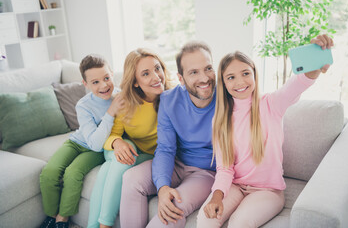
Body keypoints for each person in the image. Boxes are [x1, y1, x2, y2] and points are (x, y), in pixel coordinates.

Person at [197, 34, 334, 228]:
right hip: (235, 186)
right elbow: (225, 168)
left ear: (254, 74)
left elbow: (297, 85)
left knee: (239, 224)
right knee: (205, 221)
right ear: (224, 83)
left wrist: (314, 64)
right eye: (231, 77)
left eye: (245, 73)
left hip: (267, 191)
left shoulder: (272, 104)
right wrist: (216, 197)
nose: (240, 82)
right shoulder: (220, 120)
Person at [120, 41, 217, 228]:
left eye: (208, 68)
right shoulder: (168, 100)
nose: (204, 78)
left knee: (172, 209)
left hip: (206, 173)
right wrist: (163, 186)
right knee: (131, 179)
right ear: (181, 78)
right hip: (177, 164)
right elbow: (165, 148)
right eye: (194, 72)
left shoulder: (227, 98)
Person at [87, 48, 172, 228]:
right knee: (123, 157)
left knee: (106, 171)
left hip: (153, 156)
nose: (156, 76)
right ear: (135, 82)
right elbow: (113, 134)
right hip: (123, 149)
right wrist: (117, 143)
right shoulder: (124, 101)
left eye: (158, 68)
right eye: (146, 73)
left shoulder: (173, 97)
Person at [39, 55, 123, 228]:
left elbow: (96, 145)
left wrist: (113, 110)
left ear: (112, 74)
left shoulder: (121, 98)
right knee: (49, 172)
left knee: (73, 174)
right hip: (76, 142)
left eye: (106, 78)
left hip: (96, 150)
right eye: (95, 82)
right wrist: (110, 113)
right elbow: (89, 138)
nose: (104, 85)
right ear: (85, 84)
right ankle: (52, 216)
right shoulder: (83, 105)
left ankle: (63, 219)